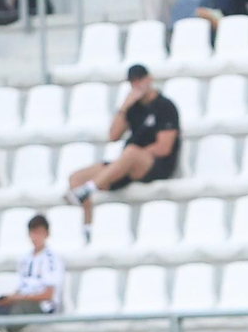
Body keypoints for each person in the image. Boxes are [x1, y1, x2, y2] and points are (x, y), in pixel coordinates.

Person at [66, 66, 181, 232]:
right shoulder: (133, 107)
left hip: (156, 165)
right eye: (134, 81)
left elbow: (164, 147)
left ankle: (90, 188)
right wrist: (124, 107)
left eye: (140, 79)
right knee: (76, 178)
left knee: (131, 152)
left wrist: (133, 156)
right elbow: (113, 136)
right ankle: (88, 227)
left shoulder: (165, 106)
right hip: (127, 164)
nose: (138, 85)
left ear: (149, 79)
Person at [0, 215, 65, 318]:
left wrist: (19, 298)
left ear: (46, 234)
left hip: (42, 306)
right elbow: (22, 287)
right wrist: (10, 298)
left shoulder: (52, 259)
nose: (36, 237)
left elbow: (48, 295)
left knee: (16, 311)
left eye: (39, 233)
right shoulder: (25, 259)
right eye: (33, 232)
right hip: (23, 300)